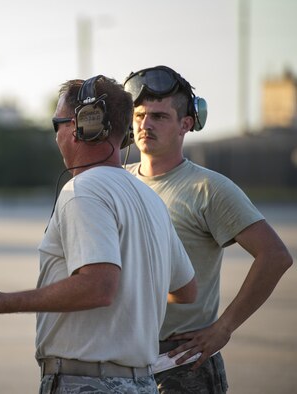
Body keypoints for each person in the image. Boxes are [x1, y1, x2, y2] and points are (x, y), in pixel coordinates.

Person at [0, 75, 197, 394]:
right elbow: (186, 290)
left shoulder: (83, 191)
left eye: (56, 123)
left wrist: (3, 303)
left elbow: (99, 287)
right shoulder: (149, 198)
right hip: (141, 382)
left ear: (79, 126)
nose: (56, 134)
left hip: (88, 382)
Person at [123, 65, 293, 393]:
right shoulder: (118, 181)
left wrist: (223, 328)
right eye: (140, 115)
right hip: (122, 357)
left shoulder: (208, 187)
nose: (145, 125)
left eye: (159, 117)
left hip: (181, 365)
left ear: (186, 124)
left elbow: (275, 256)